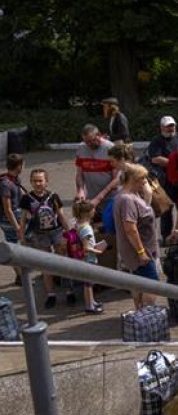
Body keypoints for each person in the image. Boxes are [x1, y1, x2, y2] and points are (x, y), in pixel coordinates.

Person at [19, 168, 75, 307]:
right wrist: (21, 235)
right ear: (31, 182)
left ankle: (69, 291)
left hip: (56, 232)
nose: (38, 183)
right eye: (35, 181)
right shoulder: (26, 199)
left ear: (46, 181)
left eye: (40, 180)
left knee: (63, 261)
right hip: (39, 234)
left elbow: (61, 216)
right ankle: (50, 294)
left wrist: (68, 234)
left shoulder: (53, 196)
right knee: (45, 264)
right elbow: (23, 218)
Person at [114, 163, 159, 309]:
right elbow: (130, 229)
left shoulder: (130, 195)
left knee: (138, 282)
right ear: (133, 179)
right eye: (143, 178)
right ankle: (148, 313)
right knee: (152, 284)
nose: (145, 181)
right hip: (140, 252)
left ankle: (140, 311)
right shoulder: (127, 200)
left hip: (141, 250)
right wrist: (141, 252)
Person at [146, 116, 178, 239]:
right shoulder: (157, 141)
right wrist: (174, 163)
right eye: (167, 126)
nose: (170, 128)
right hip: (164, 180)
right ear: (161, 127)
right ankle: (166, 236)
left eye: (172, 125)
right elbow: (155, 158)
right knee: (166, 209)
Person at [75, 124, 119, 220]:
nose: (89, 145)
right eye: (86, 142)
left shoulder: (111, 148)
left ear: (98, 134)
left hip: (111, 199)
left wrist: (99, 198)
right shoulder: (81, 148)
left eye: (91, 141)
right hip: (91, 199)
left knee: (110, 230)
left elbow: (116, 179)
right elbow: (79, 174)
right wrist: (81, 190)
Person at [73, 200, 107, 313]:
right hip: (88, 259)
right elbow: (86, 248)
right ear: (86, 213)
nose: (94, 211)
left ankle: (92, 302)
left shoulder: (78, 224)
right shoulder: (86, 228)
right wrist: (98, 251)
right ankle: (89, 306)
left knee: (89, 283)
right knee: (88, 284)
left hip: (82, 258)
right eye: (92, 209)